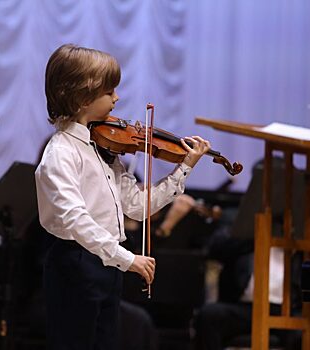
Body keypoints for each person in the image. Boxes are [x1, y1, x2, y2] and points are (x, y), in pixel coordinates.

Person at [35, 44, 210, 350]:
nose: (116, 99)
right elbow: (76, 220)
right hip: (76, 263)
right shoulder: (60, 152)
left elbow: (136, 207)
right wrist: (127, 259)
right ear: (82, 95)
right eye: (109, 91)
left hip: (105, 265)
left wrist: (184, 168)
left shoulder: (105, 149)